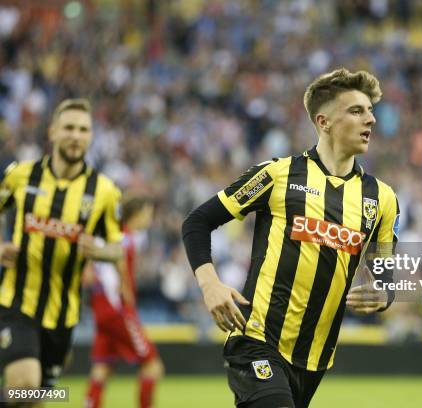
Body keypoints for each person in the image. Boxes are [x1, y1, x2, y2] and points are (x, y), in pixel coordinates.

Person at [182, 68, 399, 408]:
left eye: (370, 110)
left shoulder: (382, 199)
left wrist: (383, 293)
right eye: (357, 110)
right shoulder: (278, 174)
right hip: (257, 339)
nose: (370, 119)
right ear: (324, 121)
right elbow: (197, 222)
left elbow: (386, 274)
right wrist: (210, 285)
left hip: (314, 360)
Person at [0, 99, 123, 405]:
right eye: (69, 128)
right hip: (17, 300)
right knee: (24, 385)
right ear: (53, 132)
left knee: (35, 397)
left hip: (64, 314)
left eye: (83, 129)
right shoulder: (21, 176)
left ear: (91, 136)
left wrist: (99, 250)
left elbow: (117, 249)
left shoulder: (105, 191)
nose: (76, 136)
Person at [84, 195, 164, 408]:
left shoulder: (111, 235)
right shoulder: (124, 237)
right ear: (136, 214)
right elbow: (117, 259)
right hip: (117, 309)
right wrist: (125, 285)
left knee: (102, 368)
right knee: (152, 366)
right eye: (148, 213)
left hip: (101, 310)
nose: (150, 218)